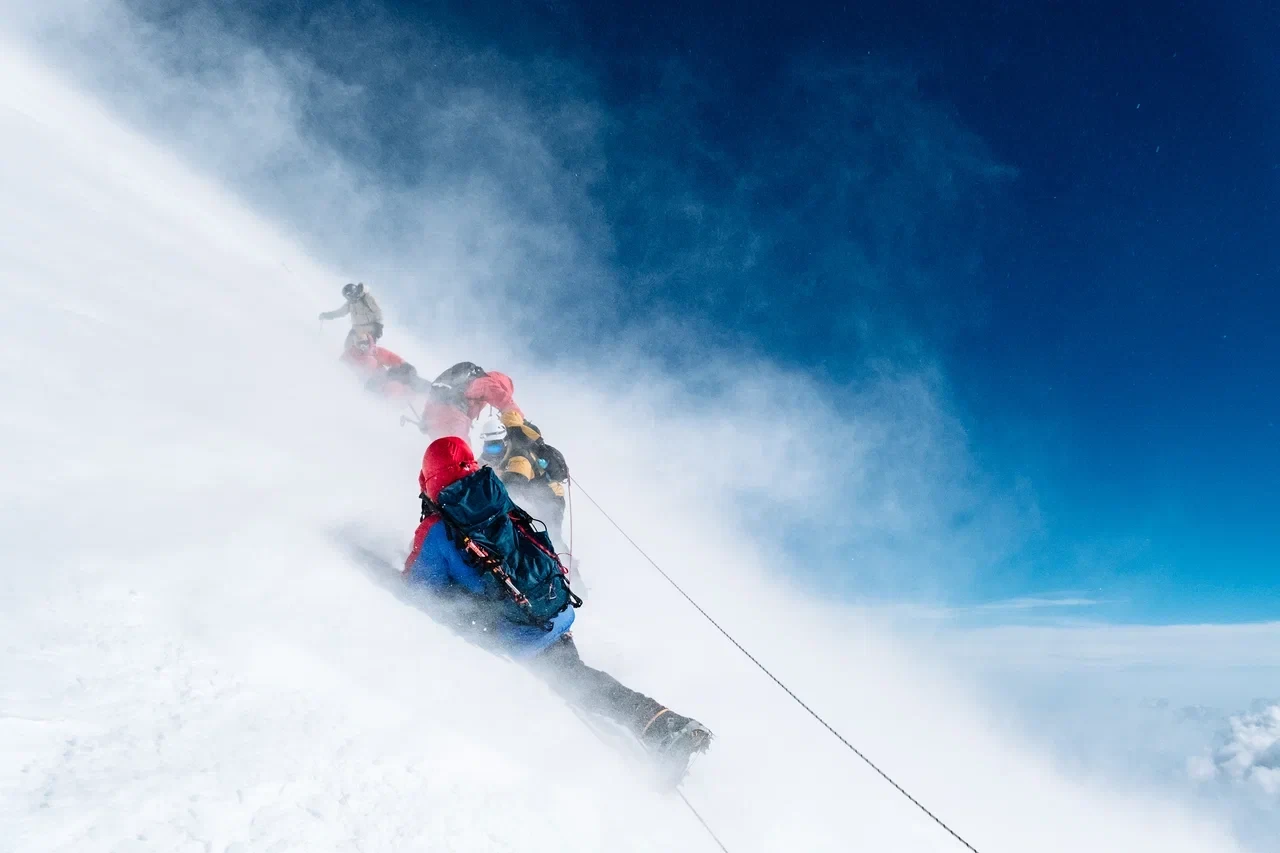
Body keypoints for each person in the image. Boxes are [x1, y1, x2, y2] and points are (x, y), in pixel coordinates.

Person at [403, 436, 711, 784]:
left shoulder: (437, 529)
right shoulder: (496, 497)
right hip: (551, 609)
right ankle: (657, 729)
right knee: (576, 681)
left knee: (579, 685)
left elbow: (417, 589)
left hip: (520, 633)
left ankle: (665, 727)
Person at [477, 415, 570, 553]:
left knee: (550, 536)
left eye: (496, 447)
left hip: (551, 497)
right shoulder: (492, 454)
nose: (492, 452)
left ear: (505, 442)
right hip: (531, 498)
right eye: (489, 447)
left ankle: (565, 561)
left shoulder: (520, 460)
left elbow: (511, 488)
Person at [420, 361, 521, 439]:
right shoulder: (487, 382)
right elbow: (505, 400)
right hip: (455, 416)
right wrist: (520, 422)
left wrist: (425, 417)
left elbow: (436, 397)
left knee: (442, 448)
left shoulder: (471, 380)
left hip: (434, 415)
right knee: (462, 449)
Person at [320, 282, 384, 347]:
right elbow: (340, 312)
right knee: (348, 345)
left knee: (364, 345)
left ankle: (373, 351)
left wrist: (379, 326)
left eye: (349, 296)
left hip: (370, 328)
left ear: (354, 293)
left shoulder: (367, 298)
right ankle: (348, 353)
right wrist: (327, 315)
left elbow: (378, 312)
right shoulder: (350, 303)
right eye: (347, 297)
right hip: (356, 329)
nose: (349, 299)